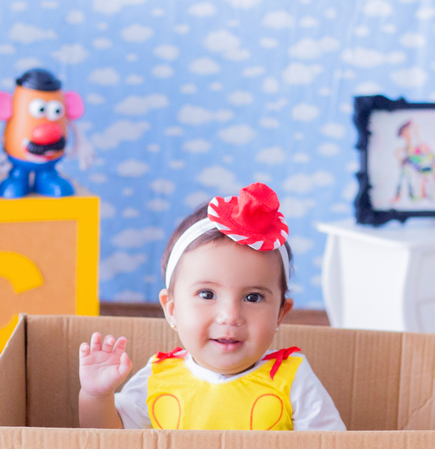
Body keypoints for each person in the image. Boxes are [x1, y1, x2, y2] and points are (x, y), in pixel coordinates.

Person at [78, 182, 346, 431]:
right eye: (207, 294)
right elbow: (107, 442)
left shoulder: (292, 378)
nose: (230, 316)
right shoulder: (158, 376)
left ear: (280, 313)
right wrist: (96, 396)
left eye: (252, 297)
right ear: (172, 309)